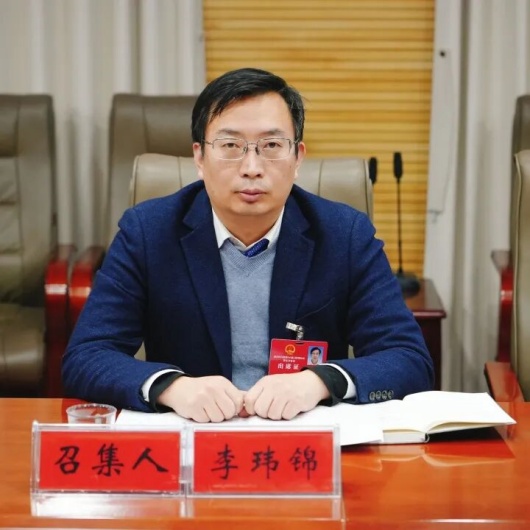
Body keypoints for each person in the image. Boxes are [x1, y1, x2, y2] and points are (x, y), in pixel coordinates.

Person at [62, 67, 433, 423]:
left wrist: (319, 381)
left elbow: (408, 359)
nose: (252, 167)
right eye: (230, 145)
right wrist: (171, 387)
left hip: (305, 440)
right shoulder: (148, 232)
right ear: (199, 157)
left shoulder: (344, 235)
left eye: (271, 145)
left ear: (298, 157)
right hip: (192, 436)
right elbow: (87, 356)